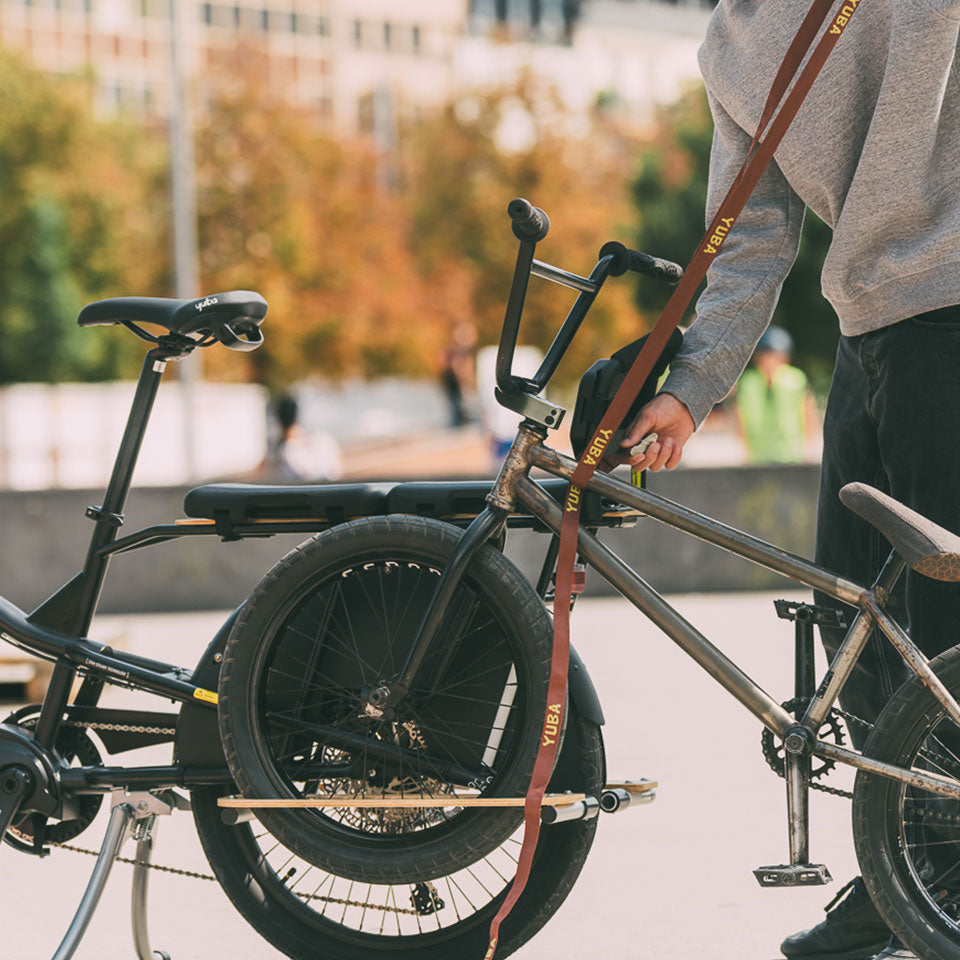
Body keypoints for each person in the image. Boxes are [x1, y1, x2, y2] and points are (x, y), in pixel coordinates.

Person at [611, 3, 960, 960]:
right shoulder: (733, 45)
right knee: (854, 616)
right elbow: (749, 232)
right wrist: (692, 389)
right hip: (867, 325)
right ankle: (913, 867)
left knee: (951, 628)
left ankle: (940, 885)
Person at [735, 326, 818, 464]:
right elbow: (739, 416)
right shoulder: (748, 381)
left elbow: (808, 412)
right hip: (758, 455)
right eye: (766, 355)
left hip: (791, 453)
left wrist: (808, 448)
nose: (770, 361)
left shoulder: (796, 379)